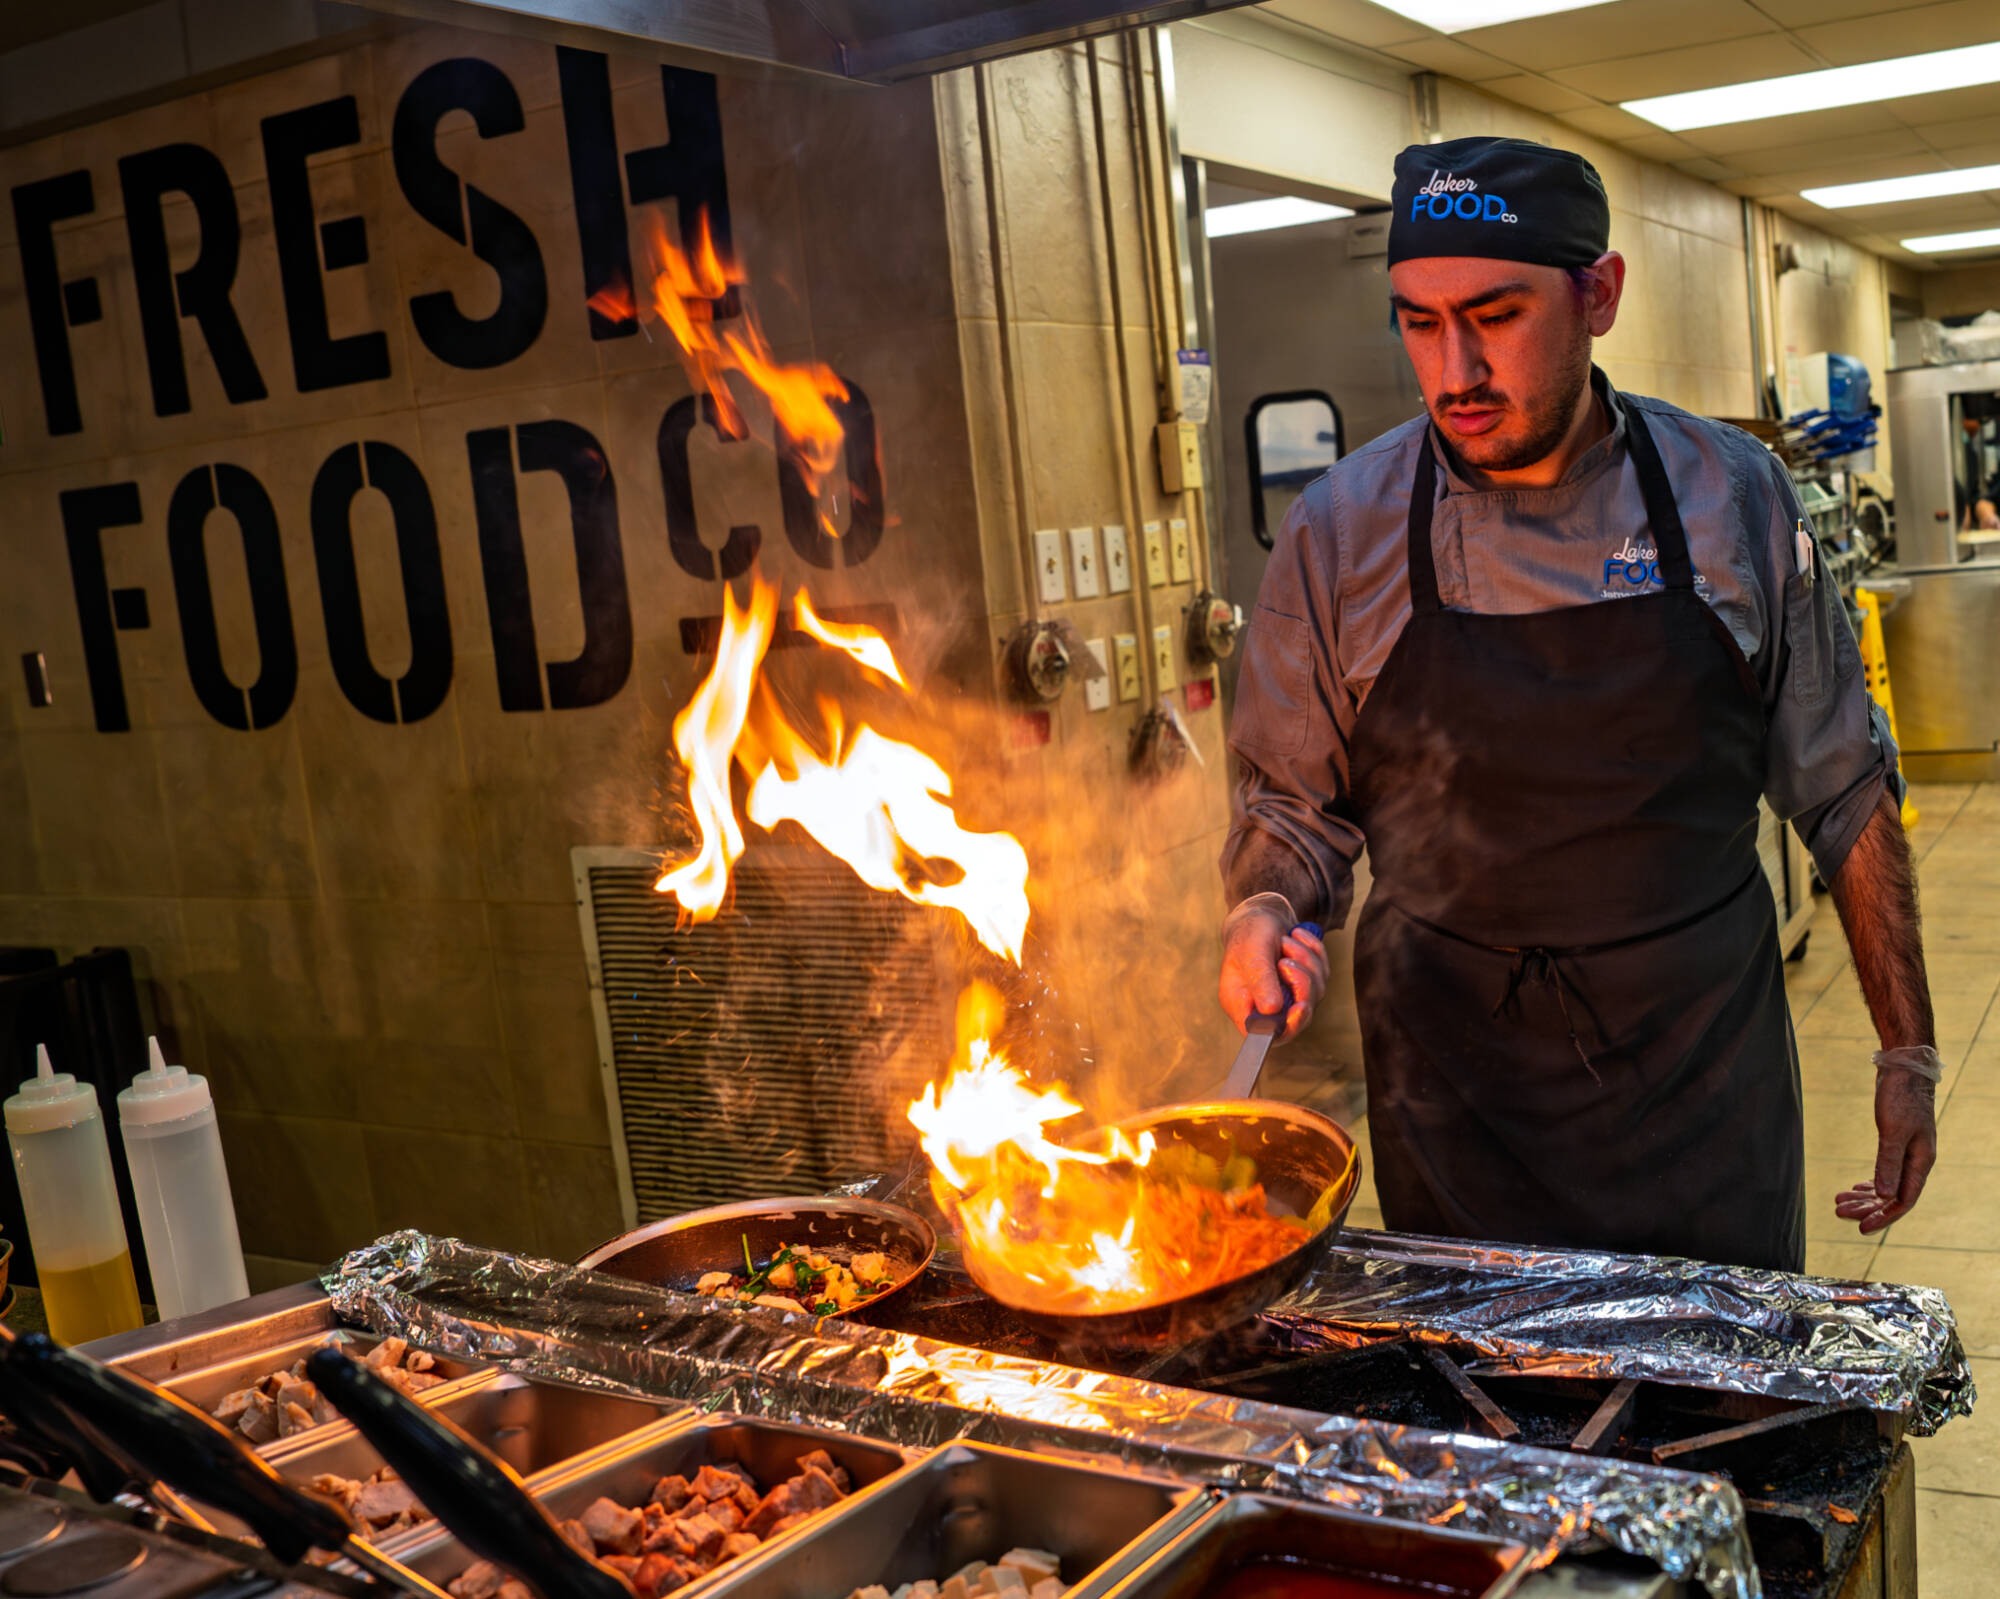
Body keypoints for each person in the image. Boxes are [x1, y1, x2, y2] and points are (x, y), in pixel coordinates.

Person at [1217, 136, 1938, 1271]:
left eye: (1494, 315)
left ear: (1595, 295)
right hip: (1454, 1096)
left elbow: (1841, 791)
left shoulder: (1728, 497)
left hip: (1699, 1075)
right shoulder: (1339, 529)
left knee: (1724, 1426)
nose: (1452, 370)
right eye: (1416, 321)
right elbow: (1291, 812)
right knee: (1482, 1427)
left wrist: (1908, 1056)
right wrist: (1261, 908)